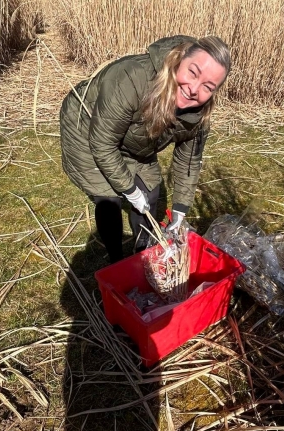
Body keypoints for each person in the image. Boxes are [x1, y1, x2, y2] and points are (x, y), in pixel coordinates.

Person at [59, 35, 231, 263]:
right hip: (86, 123)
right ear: (180, 60)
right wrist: (129, 190)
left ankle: (142, 253)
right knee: (109, 198)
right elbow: (103, 143)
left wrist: (180, 211)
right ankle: (116, 260)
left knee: (150, 192)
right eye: (193, 73)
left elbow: (188, 162)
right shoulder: (132, 78)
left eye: (207, 87)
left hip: (134, 135)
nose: (193, 89)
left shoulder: (200, 115)